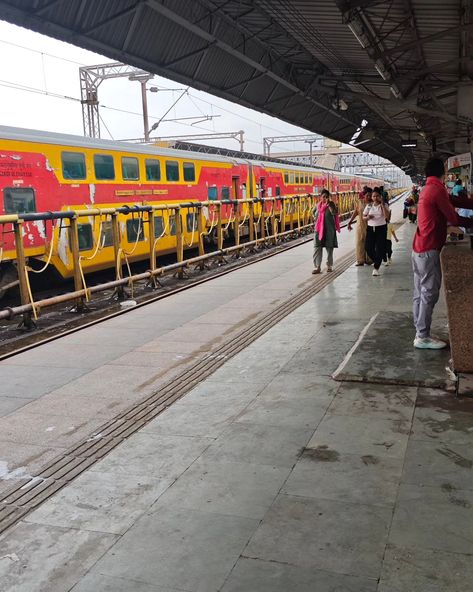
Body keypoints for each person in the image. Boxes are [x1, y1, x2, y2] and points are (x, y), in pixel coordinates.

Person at [412, 157, 473, 349]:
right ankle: (422, 336)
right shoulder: (437, 189)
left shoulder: (428, 188)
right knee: (429, 293)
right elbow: (454, 218)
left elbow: (453, 200)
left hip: (418, 248)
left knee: (419, 293)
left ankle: (419, 331)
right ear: (443, 171)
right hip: (429, 248)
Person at [312, 188, 340, 274]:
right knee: (317, 248)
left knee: (329, 248)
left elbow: (334, 213)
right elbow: (313, 214)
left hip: (329, 230)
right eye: (323, 197)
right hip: (319, 230)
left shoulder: (331, 205)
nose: (324, 198)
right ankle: (317, 267)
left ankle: (329, 265)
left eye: (326, 197)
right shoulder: (318, 206)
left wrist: (329, 205)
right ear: (320, 197)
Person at [363, 187, 389, 276]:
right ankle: (378, 260)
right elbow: (364, 217)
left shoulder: (384, 205)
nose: (375, 198)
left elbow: (387, 217)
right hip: (370, 228)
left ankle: (376, 268)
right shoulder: (369, 205)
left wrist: (382, 204)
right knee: (368, 247)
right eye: (373, 196)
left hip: (381, 228)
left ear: (380, 196)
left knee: (380, 248)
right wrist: (367, 218)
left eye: (377, 196)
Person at [348, 187, 372, 265]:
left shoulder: (373, 203)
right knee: (359, 242)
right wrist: (350, 222)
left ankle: (369, 259)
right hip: (360, 225)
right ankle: (360, 260)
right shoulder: (360, 202)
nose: (369, 197)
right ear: (364, 195)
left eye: (370, 195)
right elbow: (356, 212)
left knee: (369, 242)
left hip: (370, 225)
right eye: (367, 195)